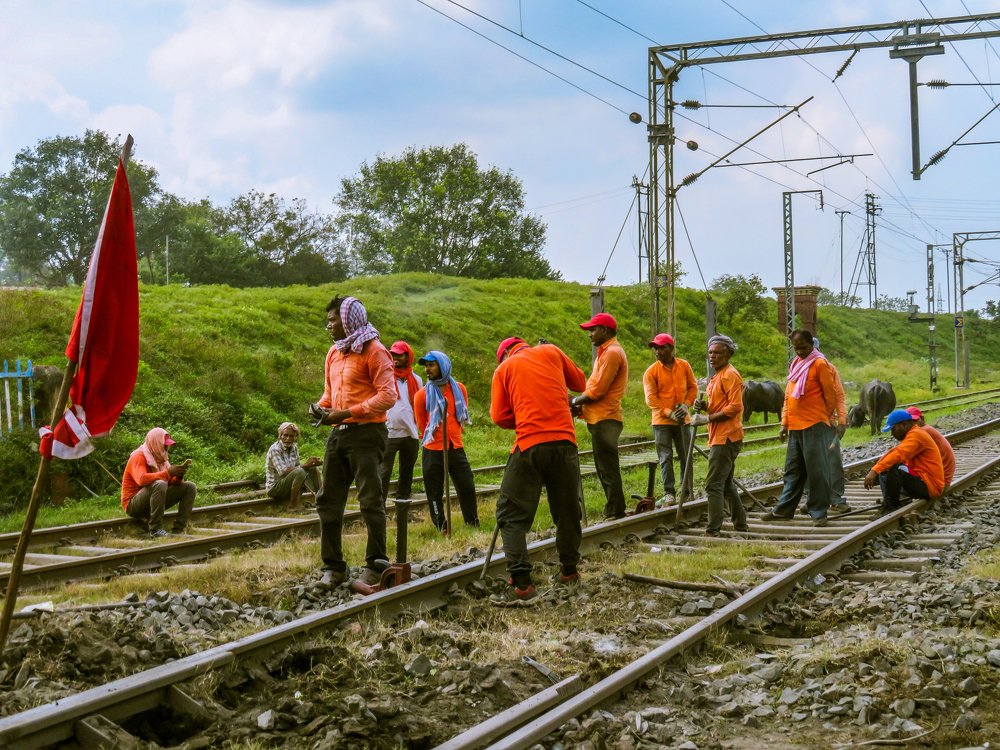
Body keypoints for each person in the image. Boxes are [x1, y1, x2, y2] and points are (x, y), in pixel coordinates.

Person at [491, 336, 588, 600]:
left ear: (505, 354)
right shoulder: (552, 351)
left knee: (510, 515)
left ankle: (522, 583)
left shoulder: (504, 369)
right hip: (566, 443)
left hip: (530, 445)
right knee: (567, 510)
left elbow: (499, 416)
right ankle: (569, 570)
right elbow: (580, 383)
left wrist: (524, 418)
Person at [312, 296, 396, 588]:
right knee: (327, 500)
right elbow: (329, 396)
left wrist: (347, 412)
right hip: (340, 433)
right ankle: (334, 568)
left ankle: (376, 564)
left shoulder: (376, 352)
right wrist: (321, 410)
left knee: (370, 499)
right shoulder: (334, 353)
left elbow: (388, 396)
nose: (329, 326)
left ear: (348, 320)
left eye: (332, 320)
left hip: (367, 434)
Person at [763, 330, 846, 527]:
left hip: (814, 425)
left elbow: (831, 395)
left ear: (812, 345)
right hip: (795, 426)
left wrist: (826, 418)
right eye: (797, 348)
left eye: (804, 347)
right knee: (792, 470)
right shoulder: (795, 365)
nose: (800, 351)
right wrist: (784, 422)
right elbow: (788, 397)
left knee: (817, 471)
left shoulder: (820, 364)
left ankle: (818, 512)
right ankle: (784, 510)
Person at [571, 312, 629, 519]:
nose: (590, 334)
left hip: (606, 418)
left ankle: (615, 510)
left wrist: (575, 401)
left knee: (607, 467)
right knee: (604, 467)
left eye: (592, 330)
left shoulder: (612, 353)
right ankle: (615, 508)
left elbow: (598, 391)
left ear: (604, 330)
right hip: (600, 418)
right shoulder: (605, 352)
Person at [414, 350, 478, 530]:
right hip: (433, 450)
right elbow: (422, 423)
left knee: (466, 485)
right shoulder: (421, 396)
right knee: (434, 492)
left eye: (431, 365)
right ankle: (441, 527)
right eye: (426, 366)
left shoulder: (459, 389)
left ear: (442, 366)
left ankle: (472, 524)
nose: (427, 369)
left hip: (455, 446)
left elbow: (461, 414)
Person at [693, 334, 746, 536]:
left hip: (727, 437)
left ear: (728, 354)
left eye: (718, 353)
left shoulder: (730, 375)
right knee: (725, 483)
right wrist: (705, 407)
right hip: (721, 436)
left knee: (713, 484)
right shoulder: (717, 376)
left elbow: (735, 407)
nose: (713, 356)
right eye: (710, 353)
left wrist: (707, 419)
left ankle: (713, 529)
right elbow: (720, 405)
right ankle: (741, 524)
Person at [642, 333, 697, 505]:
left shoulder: (684, 366)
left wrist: (686, 405)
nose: (657, 351)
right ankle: (669, 493)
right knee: (665, 457)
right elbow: (651, 399)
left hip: (683, 420)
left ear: (671, 348)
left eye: (661, 347)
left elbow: (692, 387)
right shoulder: (651, 372)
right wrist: (669, 413)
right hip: (662, 422)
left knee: (685, 455)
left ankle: (687, 491)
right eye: (655, 348)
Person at [864, 409, 945, 513]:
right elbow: (894, 451)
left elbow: (898, 454)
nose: (892, 434)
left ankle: (891, 507)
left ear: (904, 424)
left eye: (893, 429)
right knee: (884, 469)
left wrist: (874, 471)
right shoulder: (911, 434)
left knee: (897, 468)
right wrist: (876, 469)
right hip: (922, 481)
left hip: (930, 486)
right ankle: (888, 503)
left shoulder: (917, 435)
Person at [121, 427, 196, 538]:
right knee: (160, 484)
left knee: (190, 486)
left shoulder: (161, 458)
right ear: (155, 443)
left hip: (153, 499)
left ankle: (179, 529)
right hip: (133, 504)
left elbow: (170, 481)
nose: (167, 448)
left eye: (167, 445)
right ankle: (156, 529)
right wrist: (168, 473)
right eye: (164, 445)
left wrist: (178, 476)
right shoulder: (138, 456)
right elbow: (141, 479)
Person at [379, 340, 422, 506]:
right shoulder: (386, 376)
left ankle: (403, 506)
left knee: (407, 472)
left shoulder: (416, 380)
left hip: (410, 432)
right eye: (393, 354)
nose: (395, 357)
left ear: (407, 357)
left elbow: (418, 404)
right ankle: (379, 505)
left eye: (399, 354)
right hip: (389, 432)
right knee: (384, 471)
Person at [265, 422, 322, 511]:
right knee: (300, 472)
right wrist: (306, 464)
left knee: (313, 469)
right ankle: (292, 506)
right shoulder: (275, 449)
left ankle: (321, 500)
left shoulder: (293, 447)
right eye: (285, 435)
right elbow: (283, 472)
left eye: (291, 436)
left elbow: (297, 466)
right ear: (280, 435)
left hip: (287, 483)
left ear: (295, 437)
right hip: (275, 488)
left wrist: (312, 464)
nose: (288, 438)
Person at [906, 406, 955, 487]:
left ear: (922, 418)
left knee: (900, 468)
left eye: (915, 421)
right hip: (942, 477)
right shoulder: (926, 429)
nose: (913, 424)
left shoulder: (923, 431)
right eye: (910, 422)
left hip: (939, 480)